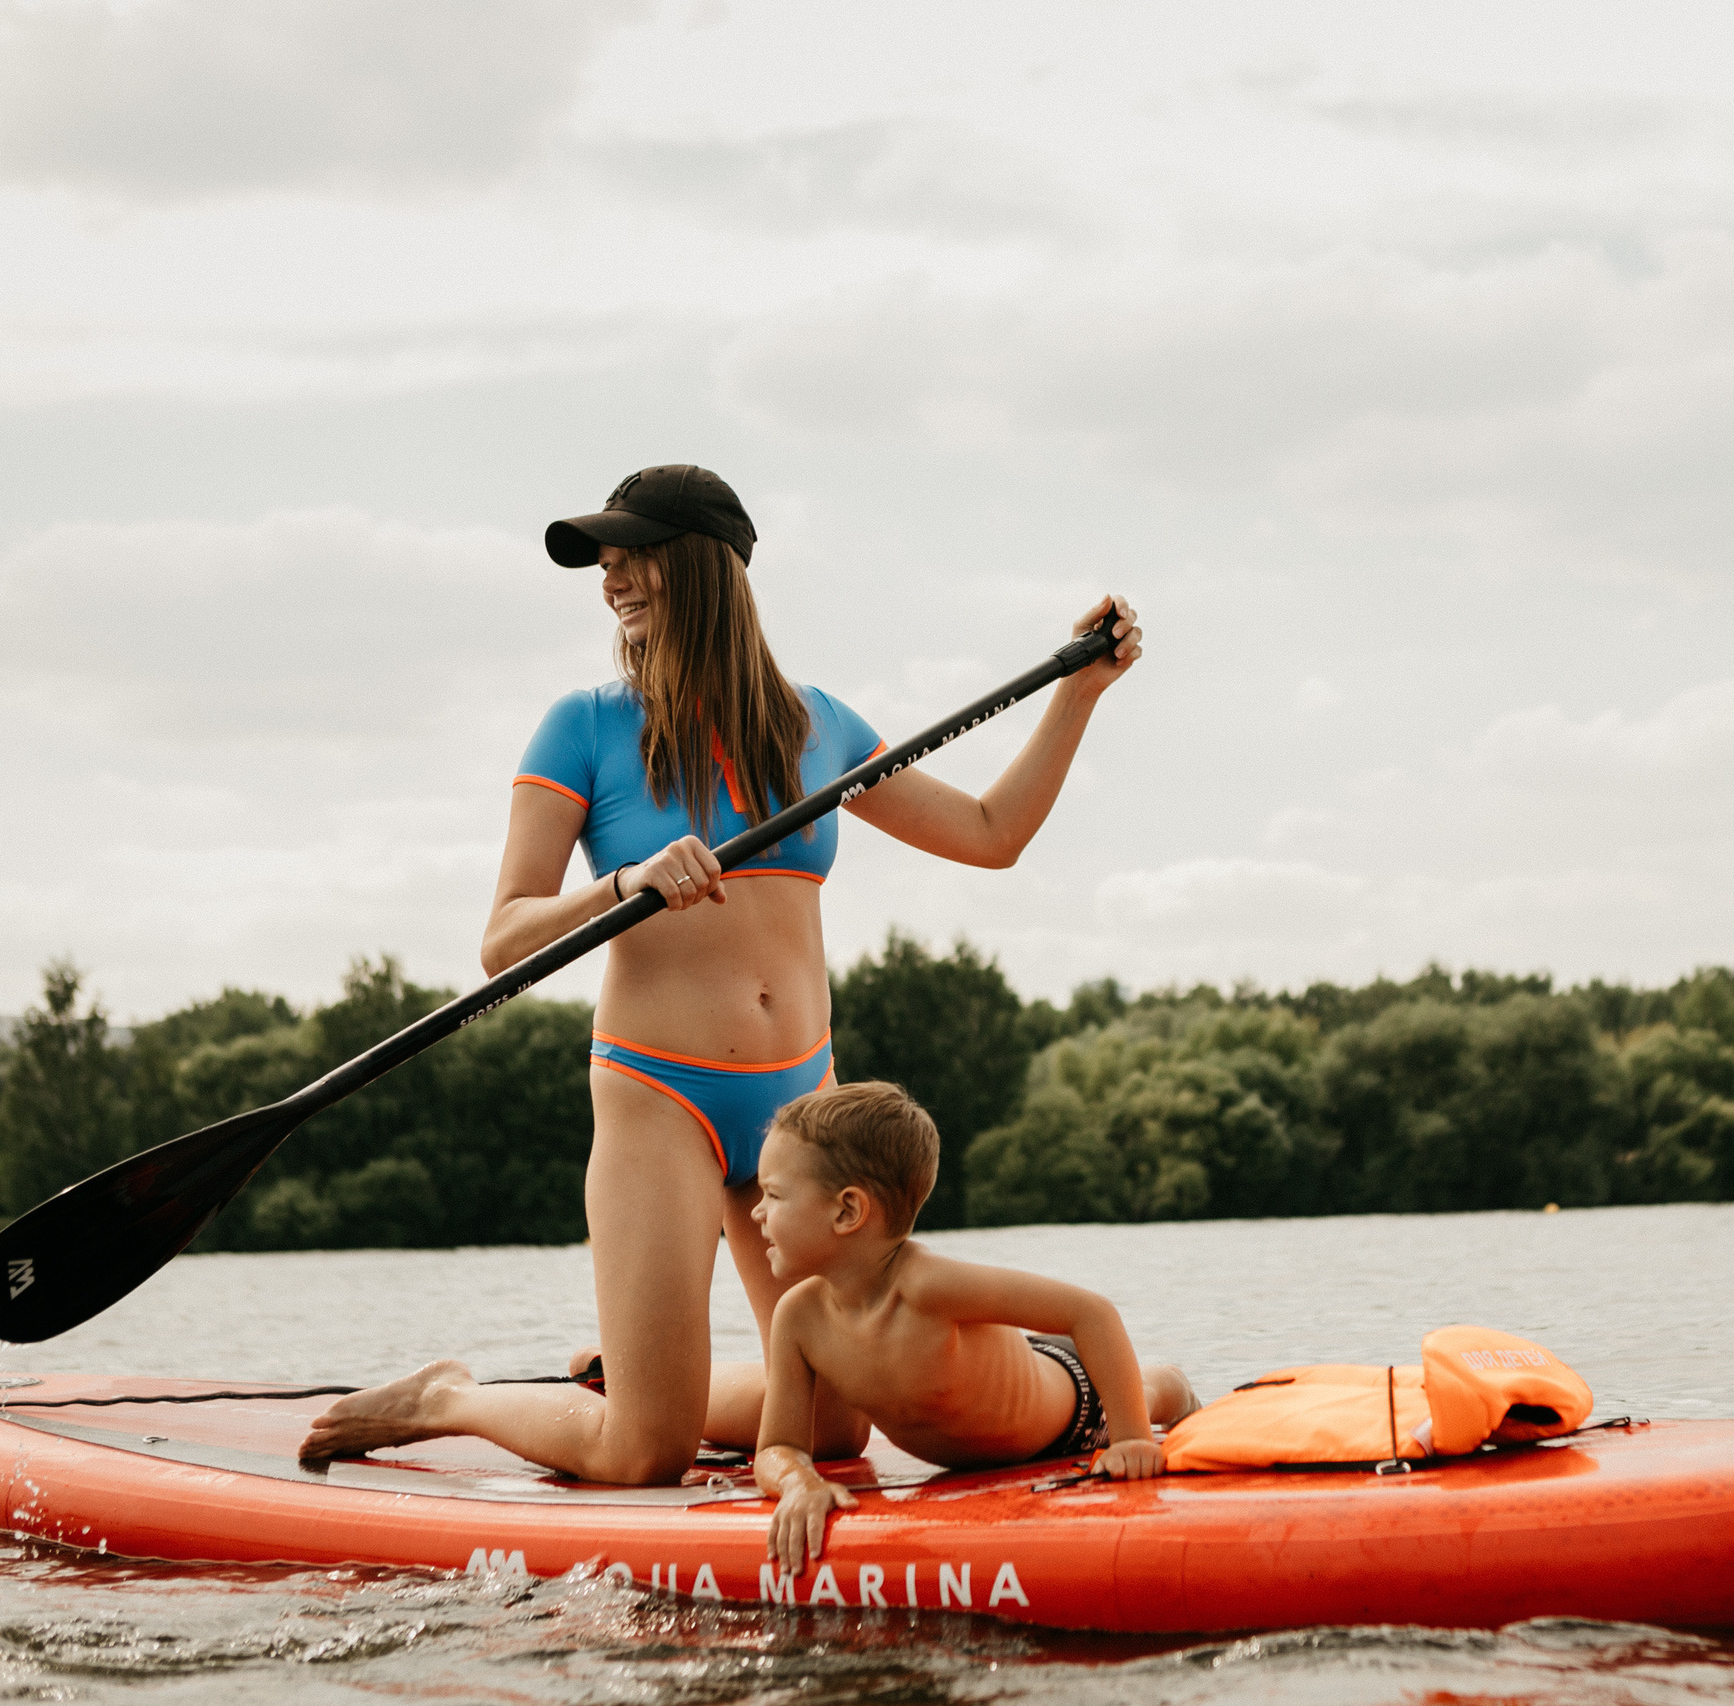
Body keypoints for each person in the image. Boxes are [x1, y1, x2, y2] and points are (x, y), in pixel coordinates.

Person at [301, 465, 1141, 1482]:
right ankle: (451, 1397)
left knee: (835, 1430)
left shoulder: (816, 722)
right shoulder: (584, 726)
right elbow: (505, 937)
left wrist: (1079, 693)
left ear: (700, 567)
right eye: (603, 563)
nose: (612, 579)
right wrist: (625, 881)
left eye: (632, 556)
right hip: (662, 1096)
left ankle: (638, 1373)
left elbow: (989, 832)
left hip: (801, 1104)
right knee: (640, 1453)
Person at [751, 1082, 1195, 1573]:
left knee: (1145, 1393)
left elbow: (1091, 1313)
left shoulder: (928, 1286)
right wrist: (799, 1482)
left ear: (847, 1211)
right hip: (1005, 1390)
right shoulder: (797, 1317)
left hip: (1073, 1409)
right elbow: (778, 1447)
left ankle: (1169, 1384)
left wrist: (1133, 1439)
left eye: (773, 1194)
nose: (756, 1212)